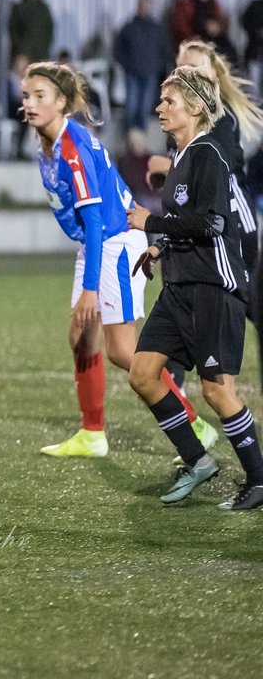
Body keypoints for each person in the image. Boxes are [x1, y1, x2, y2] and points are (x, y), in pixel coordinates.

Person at [20, 61, 215, 458]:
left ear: (60, 102)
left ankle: (195, 422)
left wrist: (90, 288)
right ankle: (92, 434)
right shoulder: (50, 141)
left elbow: (94, 219)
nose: (29, 103)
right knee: (81, 336)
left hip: (117, 240)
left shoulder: (71, 146)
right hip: (98, 241)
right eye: (26, 95)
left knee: (125, 351)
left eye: (40, 96)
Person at [125, 66, 263, 510]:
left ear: (196, 107)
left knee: (217, 390)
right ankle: (197, 460)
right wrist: (160, 247)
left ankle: (259, 480)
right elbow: (189, 220)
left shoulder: (207, 154)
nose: (159, 108)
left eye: (169, 101)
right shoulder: (181, 154)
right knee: (142, 374)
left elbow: (213, 222)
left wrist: (153, 224)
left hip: (212, 288)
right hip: (178, 286)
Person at [147, 40, 263, 317]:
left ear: (212, 76)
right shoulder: (180, 118)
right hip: (200, 217)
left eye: (195, 67)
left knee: (244, 299)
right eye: (181, 66)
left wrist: (165, 165)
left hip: (233, 214)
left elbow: (215, 166)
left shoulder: (221, 117)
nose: (186, 72)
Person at [113, 0, 173, 133]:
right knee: (131, 108)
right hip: (132, 73)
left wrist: (157, 67)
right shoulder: (129, 28)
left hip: (150, 73)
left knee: (144, 109)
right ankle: (129, 140)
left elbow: (165, 50)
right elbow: (118, 50)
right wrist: (127, 65)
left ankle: (140, 143)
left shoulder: (157, 29)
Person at [10, 0, 54, 64]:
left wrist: (45, 48)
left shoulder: (44, 8)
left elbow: (49, 30)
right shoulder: (19, 8)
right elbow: (13, 31)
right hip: (24, 55)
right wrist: (21, 50)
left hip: (41, 54)